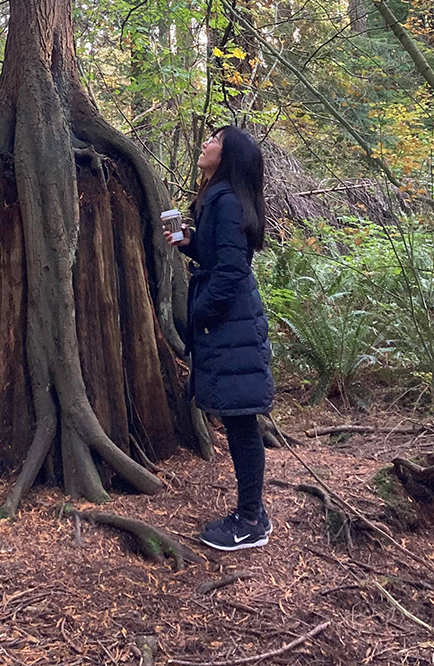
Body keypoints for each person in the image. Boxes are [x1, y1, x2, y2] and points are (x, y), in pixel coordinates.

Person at [164, 126, 275, 551]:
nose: (206, 143)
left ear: (228, 155)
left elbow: (230, 271)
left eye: (215, 139)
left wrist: (201, 313)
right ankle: (253, 514)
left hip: (231, 325)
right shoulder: (221, 198)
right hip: (230, 324)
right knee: (237, 418)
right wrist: (188, 242)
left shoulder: (226, 201)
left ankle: (250, 519)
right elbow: (220, 257)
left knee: (241, 421)